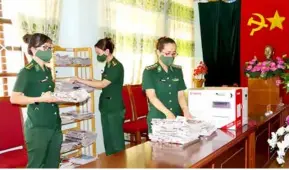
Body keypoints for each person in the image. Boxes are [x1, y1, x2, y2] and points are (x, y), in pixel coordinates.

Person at [10, 33, 62, 168]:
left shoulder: (47, 70)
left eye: (51, 48)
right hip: (38, 127)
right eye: (45, 47)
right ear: (33, 49)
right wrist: (40, 99)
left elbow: (47, 91)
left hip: (54, 125)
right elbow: (14, 98)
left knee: (53, 164)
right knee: (36, 165)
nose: (49, 51)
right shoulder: (27, 72)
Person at [69, 37, 125, 156]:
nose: (98, 56)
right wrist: (91, 80)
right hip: (106, 106)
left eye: (99, 53)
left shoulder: (116, 66)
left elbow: (103, 84)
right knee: (108, 138)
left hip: (114, 107)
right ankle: (111, 163)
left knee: (116, 140)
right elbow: (105, 82)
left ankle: (120, 164)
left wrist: (81, 80)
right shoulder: (108, 65)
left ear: (107, 51)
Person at [142, 37, 192, 133]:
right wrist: (167, 113)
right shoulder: (150, 72)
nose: (170, 57)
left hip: (177, 117)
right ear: (158, 52)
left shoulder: (177, 70)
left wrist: (185, 110)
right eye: (167, 53)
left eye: (173, 54)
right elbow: (152, 97)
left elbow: (180, 94)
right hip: (158, 117)